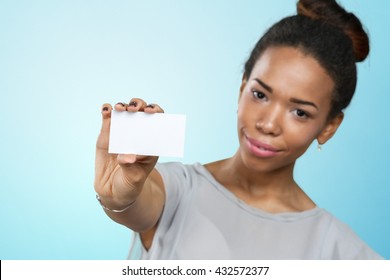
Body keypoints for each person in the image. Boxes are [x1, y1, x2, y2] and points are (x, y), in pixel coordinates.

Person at [94, 0, 383, 259]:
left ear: (329, 127)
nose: (267, 124)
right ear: (243, 87)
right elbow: (138, 204)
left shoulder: (338, 250)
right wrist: (118, 197)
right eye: (260, 95)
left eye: (299, 112)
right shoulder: (177, 189)